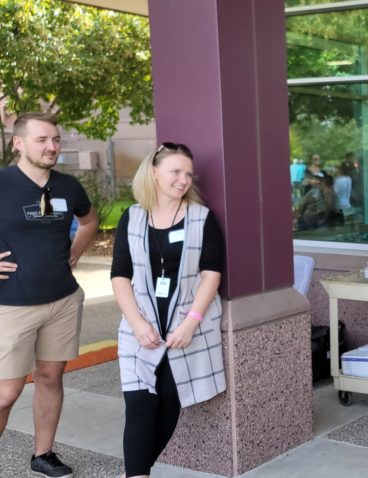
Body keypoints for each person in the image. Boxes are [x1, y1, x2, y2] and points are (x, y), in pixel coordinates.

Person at [111, 142, 227, 478]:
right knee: (139, 406)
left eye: (188, 173)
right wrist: (136, 322)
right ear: (154, 172)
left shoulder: (202, 218)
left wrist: (191, 323)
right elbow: (120, 275)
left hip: (184, 331)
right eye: (175, 171)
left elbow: (211, 275)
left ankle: (135, 471)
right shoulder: (131, 217)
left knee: (168, 407)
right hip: (140, 328)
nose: (183, 179)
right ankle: (138, 474)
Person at [0, 112, 98, 478]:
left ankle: (43, 455)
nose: (52, 146)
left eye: (55, 139)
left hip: (62, 300)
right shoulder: (3, 183)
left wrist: (75, 252)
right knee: (6, 394)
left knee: (50, 378)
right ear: (19, 143)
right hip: (10, 304)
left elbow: (88, 220)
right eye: (42, 140)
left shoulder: (68, 186)